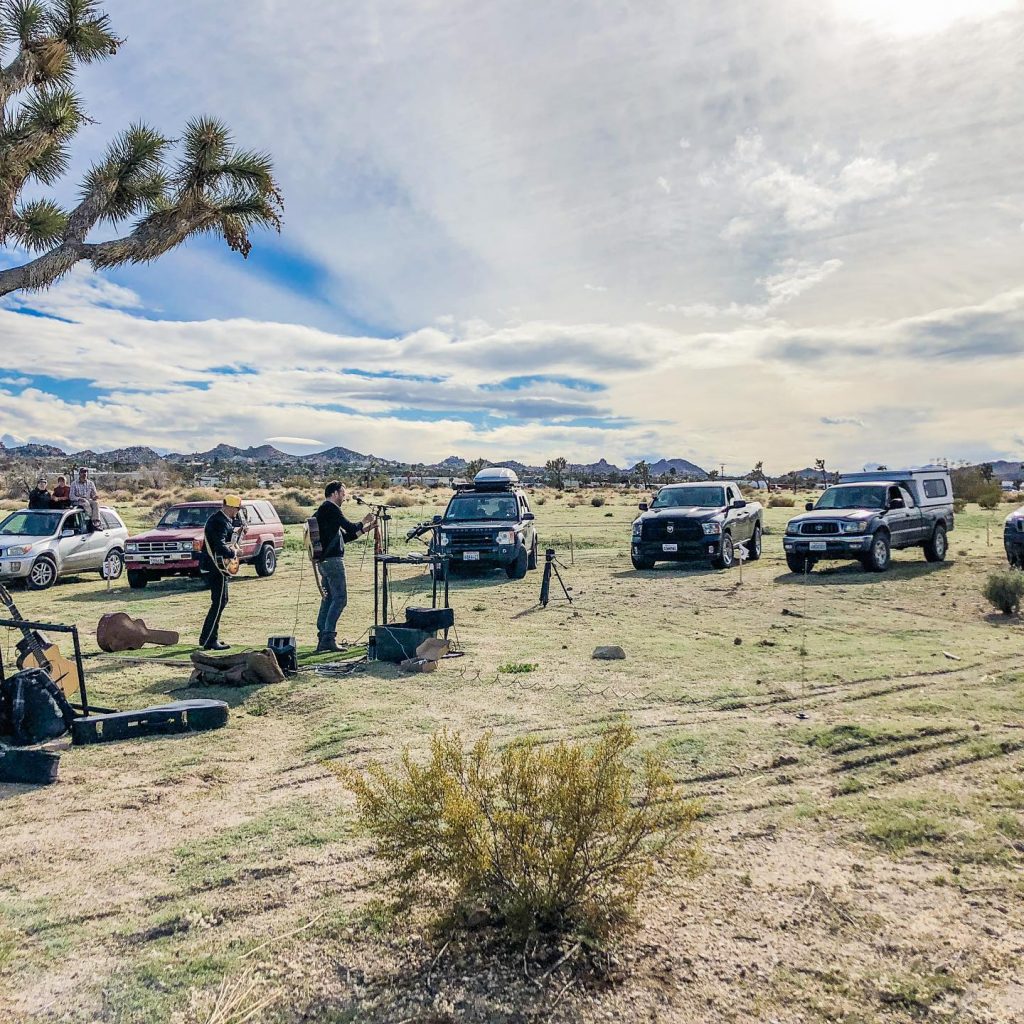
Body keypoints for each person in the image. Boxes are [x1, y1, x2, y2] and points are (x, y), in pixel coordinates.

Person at [313, 481, 375, 653]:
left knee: (329, 599)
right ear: (334, 493)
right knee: (340, 599)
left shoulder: (323, 511)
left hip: (325, 562)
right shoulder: (330, 508)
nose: (344, 497)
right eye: (342, 493)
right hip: (333, 561)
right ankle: (328, 637)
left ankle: (323, 637)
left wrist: (367, 528)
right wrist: (364, 520)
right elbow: (349, 526)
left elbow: (344, 537)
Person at [198, 495, 242, 651]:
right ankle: (210, 639)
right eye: (236, 509)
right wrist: (233, 554)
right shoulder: (220, 521)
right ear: (229, 507)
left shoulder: (221, 519)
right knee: (219, 602)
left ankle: (207, 637)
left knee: (220, 601)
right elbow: (219, 545)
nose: (237, 512)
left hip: (215, 565)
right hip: (216, 566)